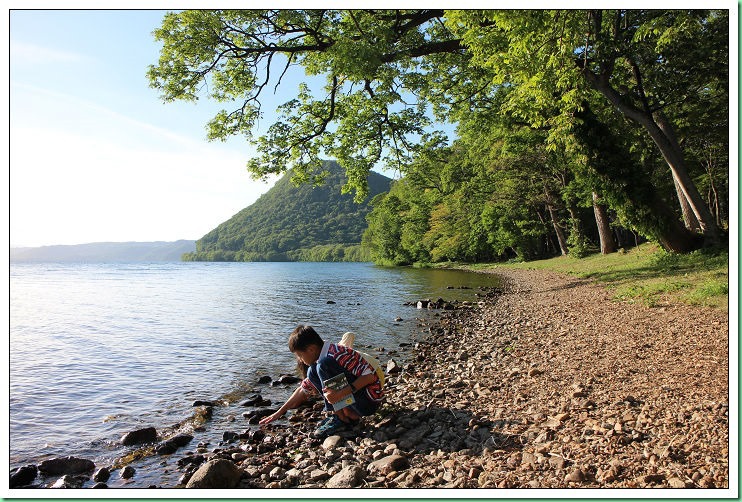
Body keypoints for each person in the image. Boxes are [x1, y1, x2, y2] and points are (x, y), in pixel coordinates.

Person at [259, 325, 384, 438]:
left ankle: (342, 419)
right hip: (357, 401)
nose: (300, 360)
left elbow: (370, 377)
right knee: (312, 372)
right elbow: (303, 389)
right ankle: (345, 416)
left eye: (300, 355)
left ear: (311, 349)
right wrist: (280, 412)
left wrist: (341, 393)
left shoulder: (336, 355)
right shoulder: (322, 357)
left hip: (368, 402)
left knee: (322, 365)